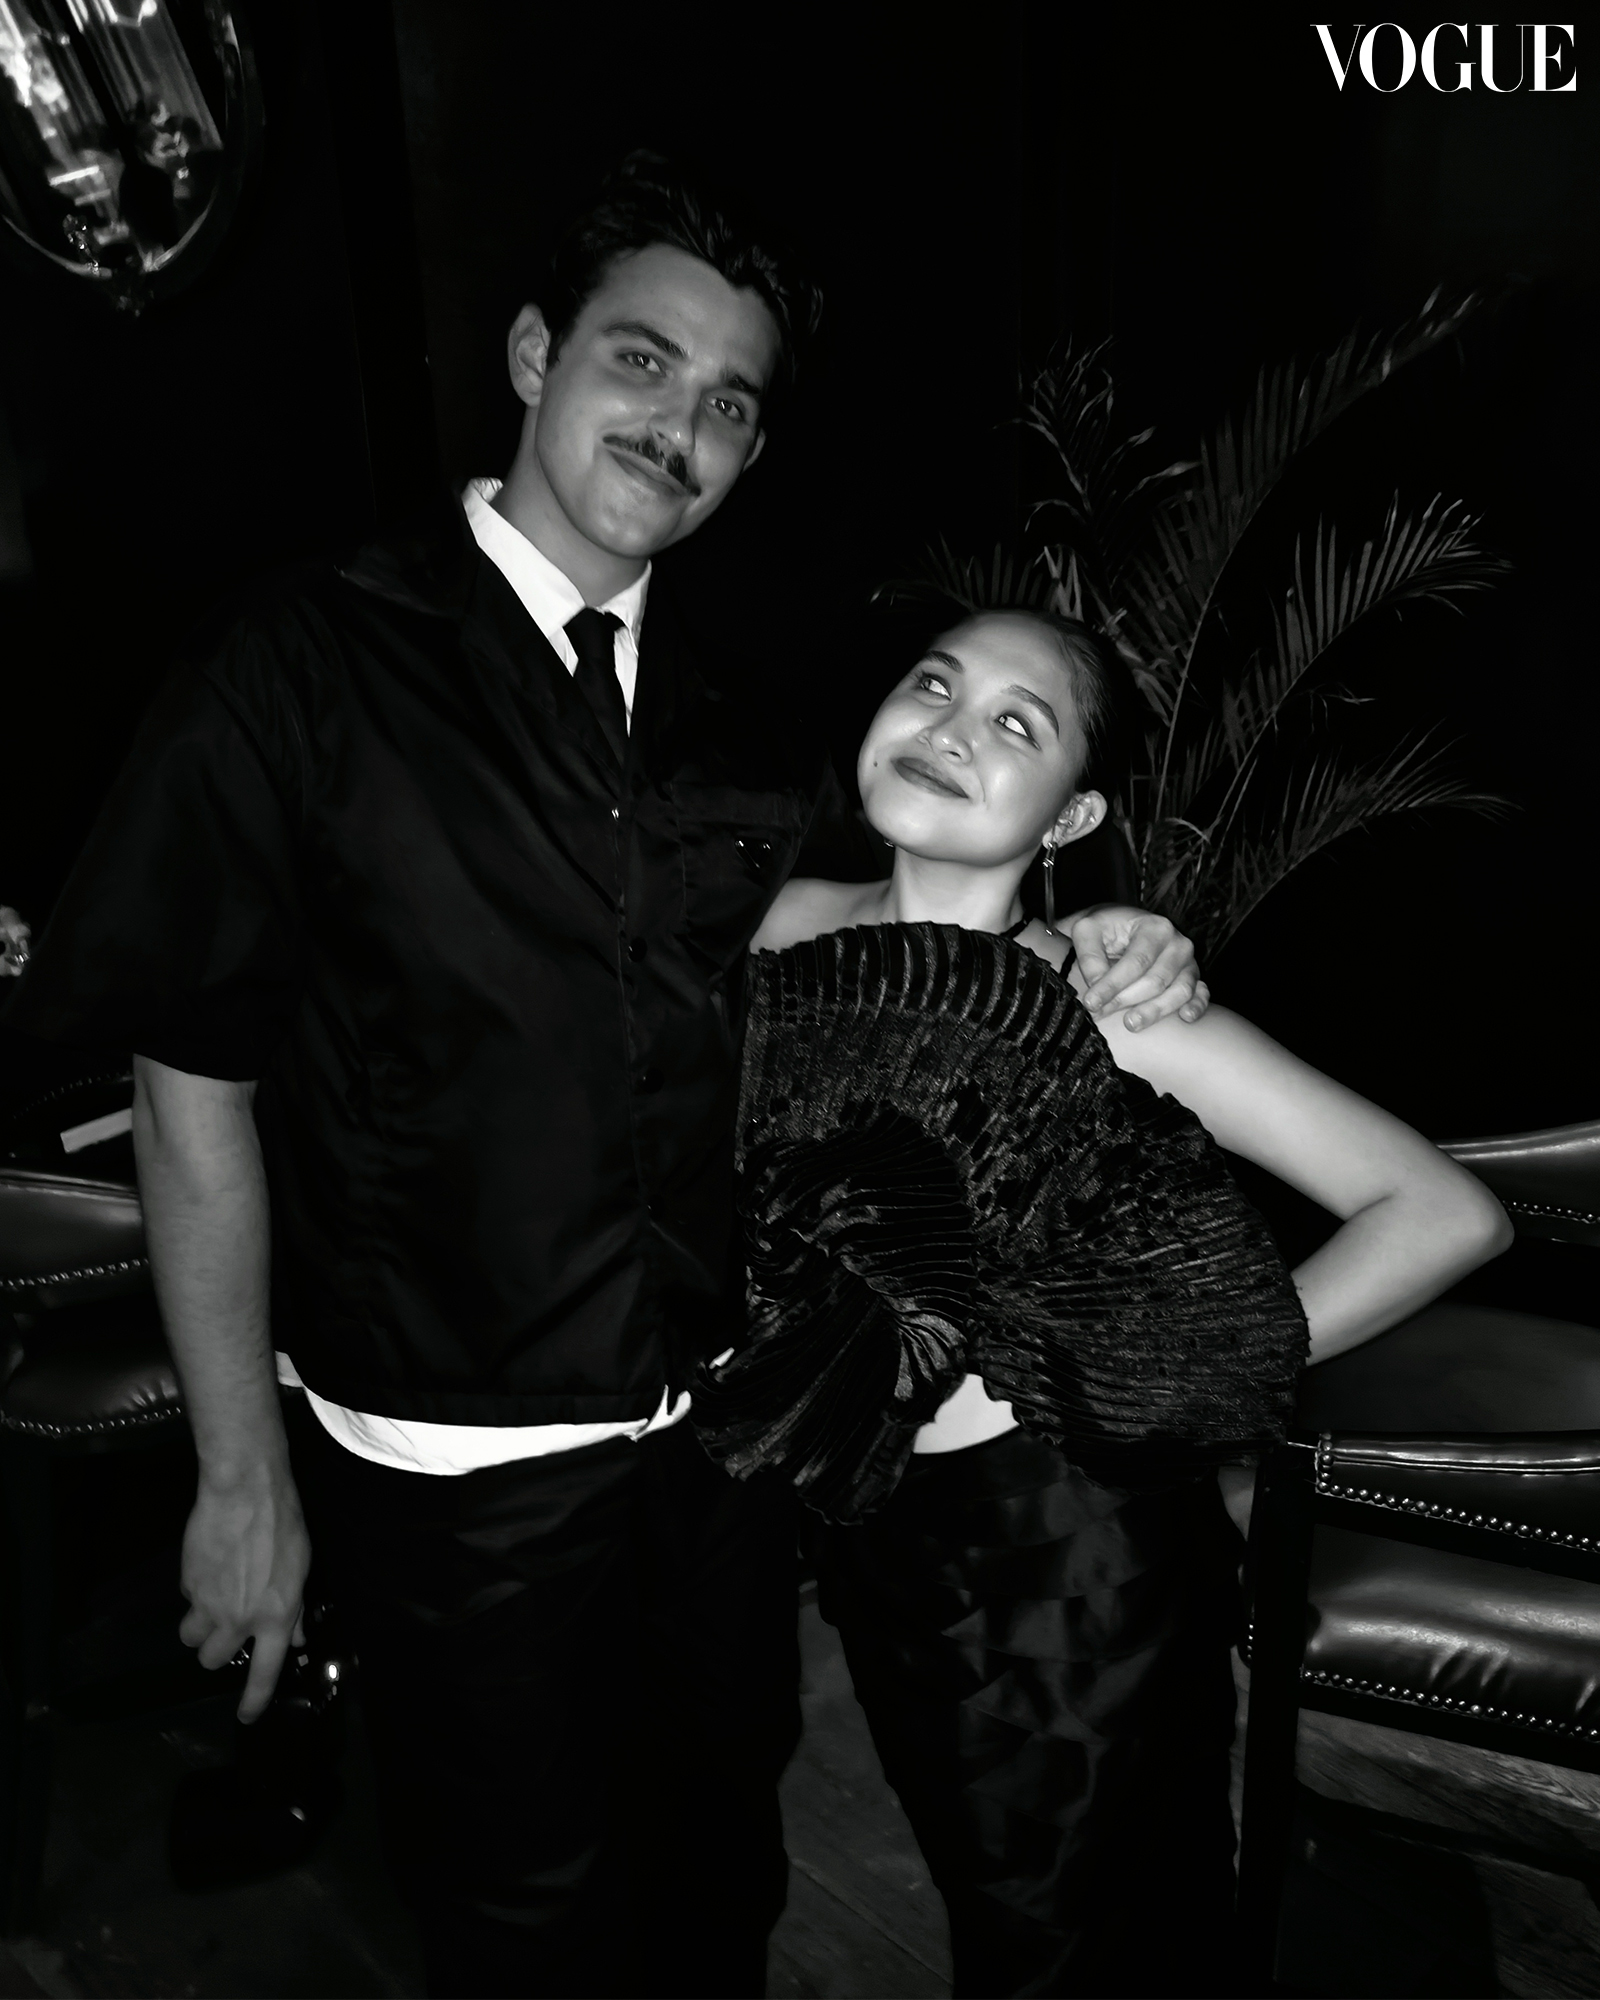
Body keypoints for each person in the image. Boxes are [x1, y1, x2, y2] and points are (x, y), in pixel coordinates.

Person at [1, 160, 1207, 1997]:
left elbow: (883, 932)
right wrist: (241, 1474)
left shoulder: (742, 726)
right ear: (531, 356)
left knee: (721, 1873)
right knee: (524, 1924)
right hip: (460, 1464)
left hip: (715, 1455)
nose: (680, 424)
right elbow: (191, 1095)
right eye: (642, 360)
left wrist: (1101, 938)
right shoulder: (301, 664)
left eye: (729, 403)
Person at [693, 606, 1512, 1998]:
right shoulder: (770, 928)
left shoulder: (1115, 1006)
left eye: (1015, 723)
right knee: (993, 1900)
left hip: (1068, 1558)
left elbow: (1443, 1213)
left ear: (1072, 816)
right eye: (934, 685)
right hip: (876, 1541)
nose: (951, 730)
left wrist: (1164, 1366)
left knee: (1076, 1939)